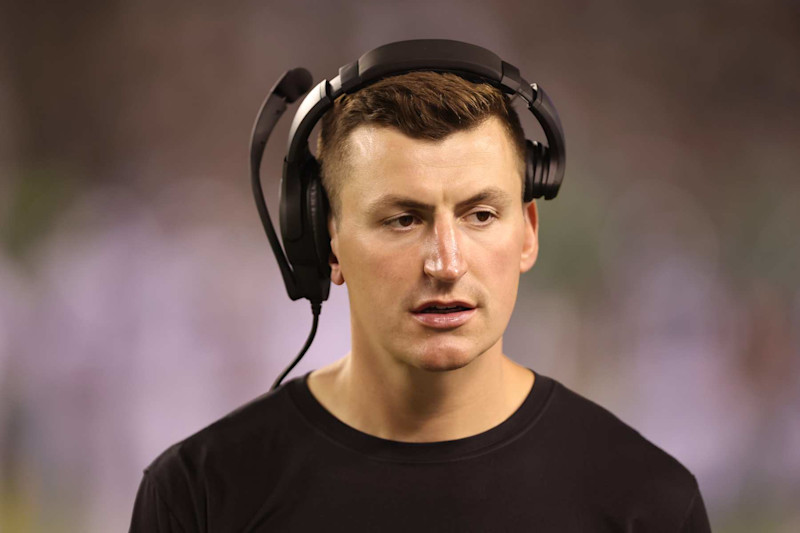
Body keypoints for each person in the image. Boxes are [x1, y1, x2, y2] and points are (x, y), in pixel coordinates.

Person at [130, 69, 712, 531]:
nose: (446, 263)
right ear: (324, 241)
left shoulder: (649, 500)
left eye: (480, 215)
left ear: (528, 231)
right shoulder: (198, 495)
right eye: (402, 219)